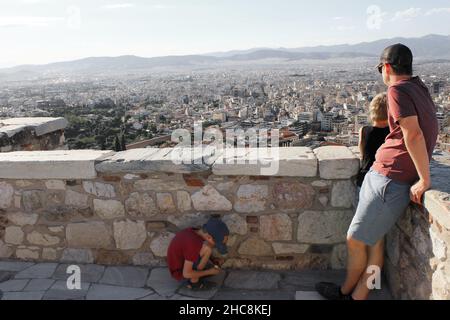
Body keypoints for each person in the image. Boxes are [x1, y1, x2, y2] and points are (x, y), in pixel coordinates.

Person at [316, 44, 439, 300]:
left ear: (388, 67)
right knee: (375, 246)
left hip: (388, 179)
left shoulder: (396, 90)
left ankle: (346, 292)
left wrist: (424, 179)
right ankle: (357, 293)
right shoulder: (419, 87)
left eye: (381, 68)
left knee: (355, 239)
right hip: (390, 178)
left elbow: (413, 134)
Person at [167, 216, 229, 290]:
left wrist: (213, 259)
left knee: (208, 247)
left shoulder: (195, 233)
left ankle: (197, 275)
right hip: (180, 274)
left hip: (184, 265)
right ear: (209, 237)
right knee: (208, 248)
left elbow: (198, 250)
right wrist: (209, 272)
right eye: (216, 243)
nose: (216, 246)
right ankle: (194, 284)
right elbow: (186, 274)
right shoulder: (193, 244)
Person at [354, 93, 390, 206]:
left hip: (364, 179)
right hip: (384, 181)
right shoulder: (392, 133)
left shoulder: (364, 131)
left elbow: (363, 154)